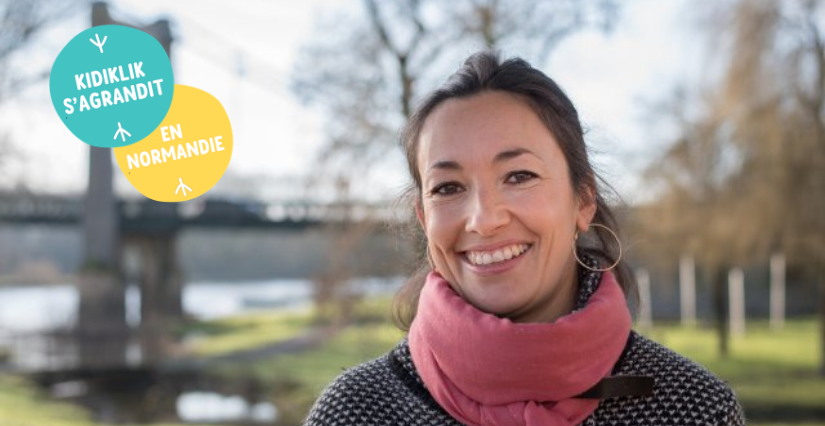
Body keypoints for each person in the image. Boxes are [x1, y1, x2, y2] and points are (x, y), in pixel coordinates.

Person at [304, 51, 745, 426]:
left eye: (518, 176)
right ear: (424, 219)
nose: (484, 220)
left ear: (583, 199)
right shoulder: (354, 413)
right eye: (448, 187)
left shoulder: (696, 411)